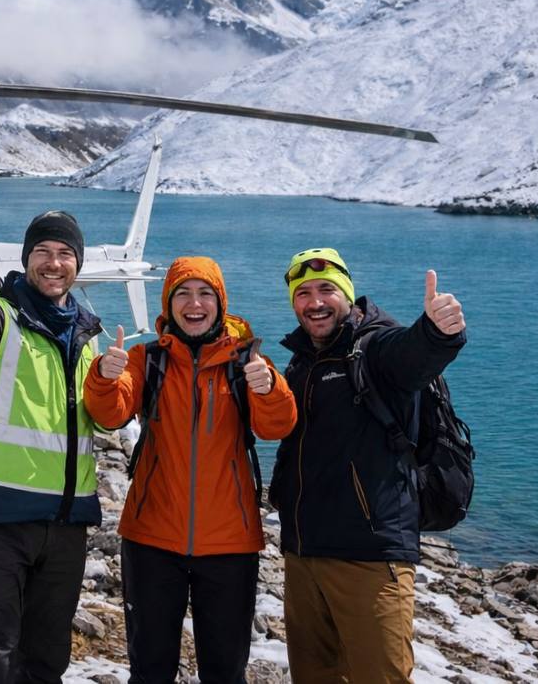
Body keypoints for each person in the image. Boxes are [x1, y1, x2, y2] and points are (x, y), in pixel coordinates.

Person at [84, 256, 298, 684]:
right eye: (183, 293)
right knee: (150, 670)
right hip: (151, 540)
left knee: (224, 671)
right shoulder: (147, 358)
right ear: (168, 303)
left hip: (230, 545)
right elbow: (111, 413)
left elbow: (277, 425)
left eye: (205, 294)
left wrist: (270, 389)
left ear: (220, 303)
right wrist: (105, 378)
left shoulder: (248, 361)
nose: (194, 303)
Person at [269, 247, 467, 683]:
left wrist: (436, 334)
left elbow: (411, 356)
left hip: (370, 560)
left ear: (347, 294)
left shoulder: (374, 347)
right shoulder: (304, 358)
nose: (315, 302)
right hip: (304, 556)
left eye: (326, 290)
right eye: (303, 293)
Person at [0, 210, 103, 684]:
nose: (54, 263)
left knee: (46, 660)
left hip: (67, 524)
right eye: (43, 253)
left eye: (65, 254)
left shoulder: (86, 334)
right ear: (27, 259)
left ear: (78, 263)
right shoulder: (0, 319)